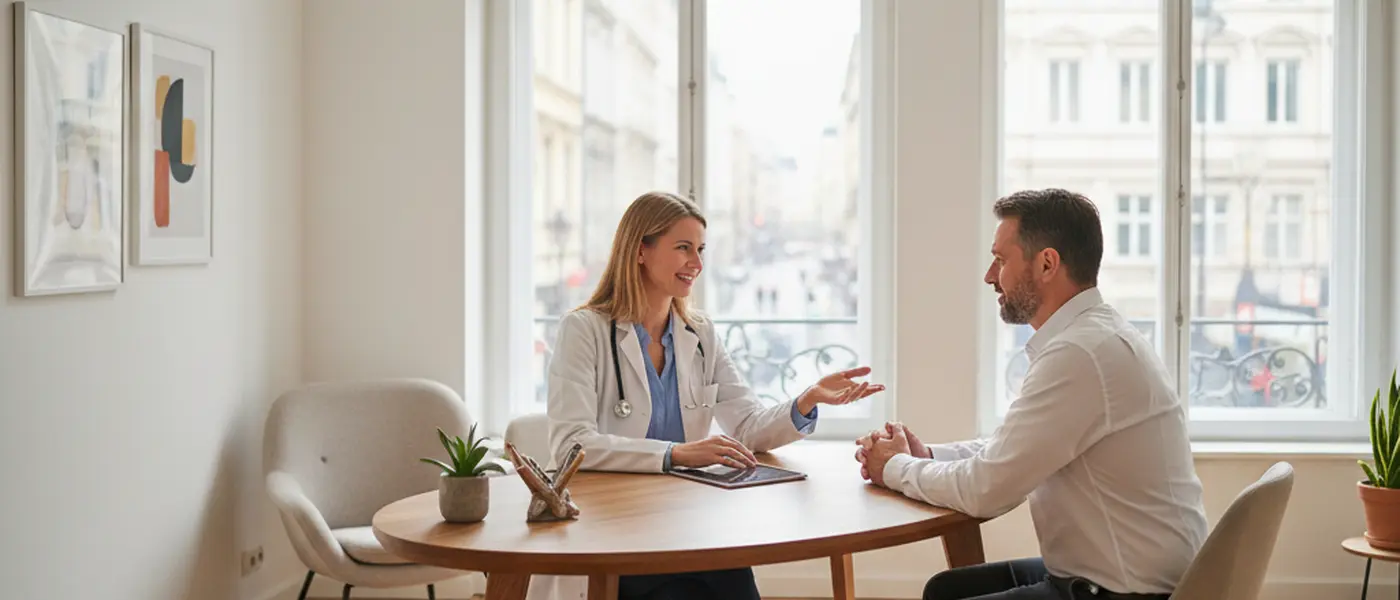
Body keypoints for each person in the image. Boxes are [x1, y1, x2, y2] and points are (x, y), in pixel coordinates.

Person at [855, 188, 1208, 600]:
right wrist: (927, 456)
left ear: (1046, 264)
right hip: (1124, 575)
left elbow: (985, 490)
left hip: (1127, 592)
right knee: (946, 590)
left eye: (1001, 260)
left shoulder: (1080, 354)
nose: (990, 275)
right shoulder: (1094, 336)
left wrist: (892, 467)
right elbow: (1015, 448)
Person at [535, 190, 885, 600]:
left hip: (691, 525)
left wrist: (805, 401)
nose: (697, 264)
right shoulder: (585, 331)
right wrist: (675, 454)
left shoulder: (698, 334)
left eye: (700, 249)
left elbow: (748, 426)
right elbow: (571, 446)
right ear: (640, 250)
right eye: (683, 248)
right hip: (614, 530)